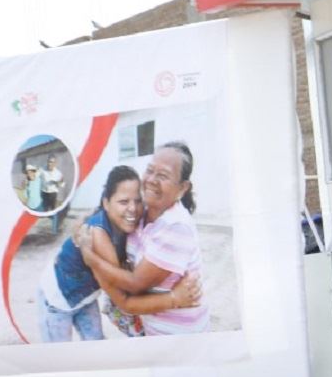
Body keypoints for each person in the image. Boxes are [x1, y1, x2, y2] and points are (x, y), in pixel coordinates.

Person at [34, 165, 200, 341]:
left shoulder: (128, 220)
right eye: (123, 202)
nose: (133, 209)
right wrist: (174, 298)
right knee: (59, 356)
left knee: (96, 343)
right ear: (106, 203)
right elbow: (125, 295)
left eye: (137, 201)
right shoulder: (97, 235)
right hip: (56, 299)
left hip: (86, 296)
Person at [80, 142, 210, 336]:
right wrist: (84, 222)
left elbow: (135, 283)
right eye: (150, 170)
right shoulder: (143, 213)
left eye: (163, 175)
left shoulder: (175, 227)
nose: (151, 180)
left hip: (179, 337)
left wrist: (92, 260)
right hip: (151, 329)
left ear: (183, 187)